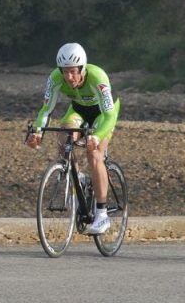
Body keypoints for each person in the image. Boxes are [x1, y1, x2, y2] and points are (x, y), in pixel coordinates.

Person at [26, 42, 121, 235]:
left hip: (103, 113)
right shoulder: (55, 78)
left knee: (94, 153)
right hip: (78, 109)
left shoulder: (97, 77)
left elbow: (109, 116)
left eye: (73, 72)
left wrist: (97, 135)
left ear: (82, 68)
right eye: (65, 72)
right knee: (64, 140)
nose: (69, 77)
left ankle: (102, 214)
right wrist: (37, 133)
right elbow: (46, 109)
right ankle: (80, 178)